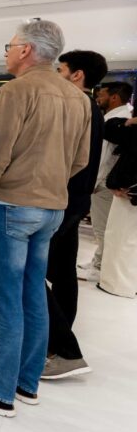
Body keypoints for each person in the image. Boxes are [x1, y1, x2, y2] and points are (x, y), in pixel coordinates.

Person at [0, 19, 90, 418]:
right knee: (32, 294)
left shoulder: (16, 91)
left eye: (9, 46)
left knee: (4, 299)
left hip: (9, 205)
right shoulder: (77, 97)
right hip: (51, 207)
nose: (7, 53)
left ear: (26, 50)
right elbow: (80, 160)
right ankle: (25, 380)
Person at [42, 50, 106, 379]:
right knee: (63, 272)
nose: (57, 74)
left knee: (30, 272)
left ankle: (66, 349)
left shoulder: (76, 105)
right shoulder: (90, 107)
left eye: (61, 69)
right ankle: (57, 340)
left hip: (63, 199)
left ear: (77, 75)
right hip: (75, 199)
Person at [79, 81, 133, 283]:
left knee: (103, 228)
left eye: (101, 95)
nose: (98, 98)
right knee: (102, 227)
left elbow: (106, 156)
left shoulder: (120, 121)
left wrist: (94, 180)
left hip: (104, 181)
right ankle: (98, 260)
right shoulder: (116, 118)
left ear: (114, 97)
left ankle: (99, 267)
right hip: (103, 179)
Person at [98, 109, 137, 297]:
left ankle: (118, 284)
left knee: (122, 238)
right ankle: (123, 283)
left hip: (128, 192)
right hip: (128, 190)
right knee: (124, 238)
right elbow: (110, 129)